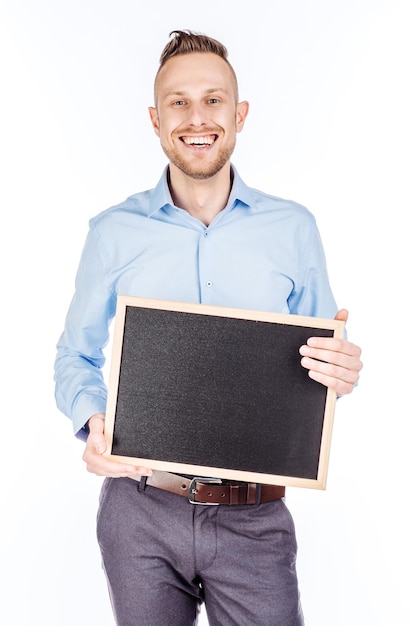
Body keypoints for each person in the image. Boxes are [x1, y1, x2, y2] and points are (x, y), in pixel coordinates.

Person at [54, 30, 363, 626]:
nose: (197, 118)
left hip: (254, 513)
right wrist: (93, 421)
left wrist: (341, 371)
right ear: (155, 119)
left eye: (214, 100)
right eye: (178, 102)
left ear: (240, 114)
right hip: (138, 508)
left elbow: (325, 358)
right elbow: (75, 355)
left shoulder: (293, 229)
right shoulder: (113, 232)